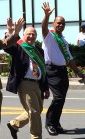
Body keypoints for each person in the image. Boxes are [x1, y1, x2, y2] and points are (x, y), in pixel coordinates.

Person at [42, 2, 85, 136]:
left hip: (62, 71)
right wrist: (46, 15)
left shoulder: (64, 40)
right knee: (58, 98)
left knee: (62, 98)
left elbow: (70, 58)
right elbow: (43, 27)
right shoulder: (49, 36)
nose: (60, 25)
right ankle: (49, 124)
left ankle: (56, 123)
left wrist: (78, 72)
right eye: (58, 23)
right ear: (53, 24)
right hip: (52, 70)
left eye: (62, 23)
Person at [4, 21, 50, 139]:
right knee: (34, 111)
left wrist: (46, 88)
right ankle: (36, 136)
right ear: (24, 35)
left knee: (37, 110)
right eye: (28, 34)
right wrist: (10, 31)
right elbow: (7, 47)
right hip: (25, 83)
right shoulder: (18, 46)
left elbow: (43, 70)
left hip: (38, 83)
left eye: (33, 34)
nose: (31, 36)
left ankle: (14, 124)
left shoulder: (40, 51)